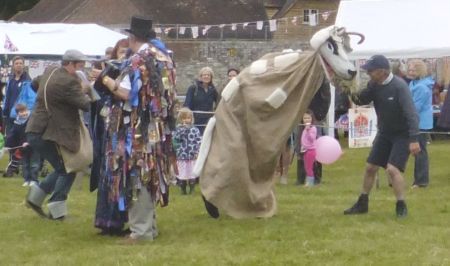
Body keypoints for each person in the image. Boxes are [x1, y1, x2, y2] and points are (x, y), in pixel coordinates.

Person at [102, 15, 176, 244]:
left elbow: (126, 94)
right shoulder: (164, 57)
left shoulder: (137, 60)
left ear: (132, 37)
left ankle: (141, 232)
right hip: (157, 127)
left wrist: (105, 81)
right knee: (149, 175)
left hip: (136, 128)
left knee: (136, 176)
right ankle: (149, 228)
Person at [344, 55, 420, 218]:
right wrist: (348, 88)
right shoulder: (374, 84)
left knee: (392, 169)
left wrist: (414, 139)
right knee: (370, 167)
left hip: (403, 134)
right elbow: (361, 99)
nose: (368, 73)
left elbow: (411, 114)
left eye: (371, 71)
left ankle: (401, 205)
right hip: (385, 132)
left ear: (382, 72)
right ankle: (362, 203)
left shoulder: (399, 87)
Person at [25, 49, 94, 220]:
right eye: (79, 65)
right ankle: (57, 210)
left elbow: (35, 83)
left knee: (62, 167)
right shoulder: (69, 82)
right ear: (69, 63)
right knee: (68, 167)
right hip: (47, 131)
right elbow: (86, 105)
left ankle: (36, 198)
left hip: (35, 127)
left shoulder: (51, 71)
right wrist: (85, 89)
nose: (82, 69)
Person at [91, 38, 130, 236]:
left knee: (124, 174)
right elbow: (96, 95)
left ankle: (124, 219)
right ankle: (106, 221)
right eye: (120, 52)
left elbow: (128, 94)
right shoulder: (109, 70)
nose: (123, 55)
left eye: (126, 52)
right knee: (109, 172)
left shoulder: (132, 71)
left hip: (127, 127)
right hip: (111, 126)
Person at [2, 56, 32, 177]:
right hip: (10, 115)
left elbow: (29, 98)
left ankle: (18, 166)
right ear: (13, 66)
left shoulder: (27, 81)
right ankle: (12, 165)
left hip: (22, 116)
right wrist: (5, 111)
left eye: (21, 63)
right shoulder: (11, 80)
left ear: (23, 65)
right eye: (17, 63)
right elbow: (7, 98)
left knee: (21, 143)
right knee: (10, 142)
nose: (19, 65)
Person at [407, 59, 434, 188]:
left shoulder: (422, 87)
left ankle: (422, 181)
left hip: (420, 123)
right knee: (416, 151)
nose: (410, 72)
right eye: (409, 69)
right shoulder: (413, 83)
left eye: (413, 70)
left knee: (420, 152)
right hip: (415, 121)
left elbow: (415, 107)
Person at [5, 103, 40, 186]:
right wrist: (7, 145)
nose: (24, 113)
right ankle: (27, 179)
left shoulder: (33, 120)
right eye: (21, 112)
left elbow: (35, 132)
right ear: (17, 114)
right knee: (25, 164)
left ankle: (34, 180)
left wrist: (29, 141)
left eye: (25, 111)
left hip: (34, 145)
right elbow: (12, 135)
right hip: (23, 147)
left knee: (34, 164)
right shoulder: (17, 123)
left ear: (28, 110)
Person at [172, 107, 202, 194]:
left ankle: (192, 189)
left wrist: (198, 151)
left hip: (192, 155)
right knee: (182, 173)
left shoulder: (195, 130)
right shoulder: (178, 130)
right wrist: (183, 130)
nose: (186, 120)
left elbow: (198, 141)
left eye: (188, 118)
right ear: (180, 119)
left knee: (192, 173)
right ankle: (183, 189)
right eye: (184, 118)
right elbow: (175, 139)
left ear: (191, 119)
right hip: (182, 156)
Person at [183, 67, 219, 134]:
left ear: (211, 77)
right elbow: (187, 105)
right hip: (195, 121)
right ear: (200, 77)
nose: (206, 76)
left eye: (208, 75)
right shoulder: (193, 88)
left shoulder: (213, 90)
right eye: (204, 75)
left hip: (208, 121)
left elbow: (218, 102)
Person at [299, 110, 318, 187]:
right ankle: (308, 181)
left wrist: (308, 130)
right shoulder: (304, 128)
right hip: (305, 150)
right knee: (306, 167)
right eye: (305, 118)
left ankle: (310, 183)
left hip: (310, 151)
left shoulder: (313, 128)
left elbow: (311, 139)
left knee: (309, 167)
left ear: (312, 119)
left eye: (308, 118)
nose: (306, 120)